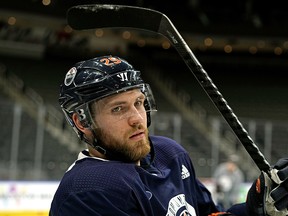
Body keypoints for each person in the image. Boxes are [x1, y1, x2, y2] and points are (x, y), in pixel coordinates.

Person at [49, 55, 288, 216]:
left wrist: (253, 208)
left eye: (139, 103)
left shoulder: (169, 153)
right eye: (118, 109)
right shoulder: (89, 190)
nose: (137, 118)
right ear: (82, 121)